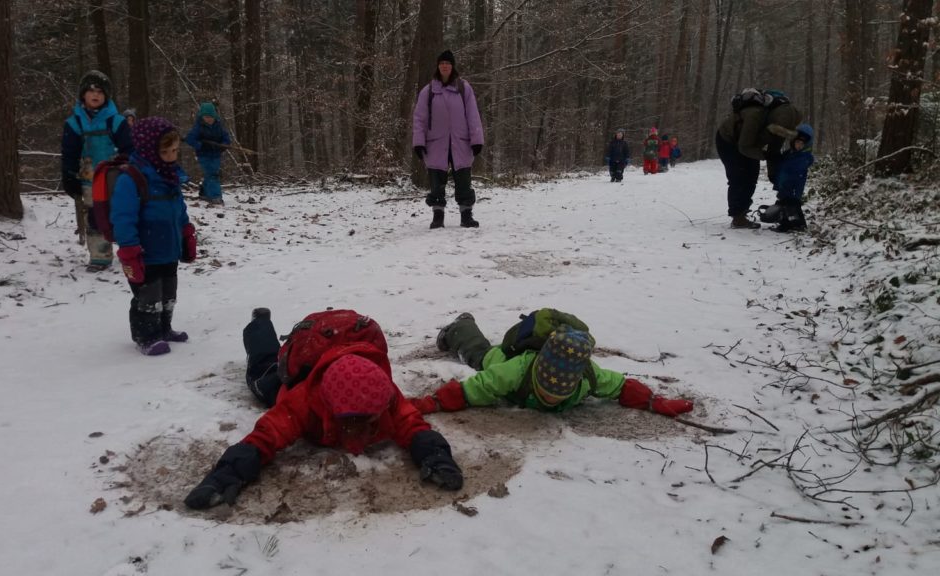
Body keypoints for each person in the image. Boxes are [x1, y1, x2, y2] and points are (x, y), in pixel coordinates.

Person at [183, 308, 465, 510]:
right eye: (359, 423)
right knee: (260, 377)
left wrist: (435, 455)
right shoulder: (303, 402)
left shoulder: (383, 395)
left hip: (339, 358)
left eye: (373, 419)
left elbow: (411, 423)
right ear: (335, 411)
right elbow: (267, 434)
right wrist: (228, 472)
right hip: (302, 374)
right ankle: (260, 323)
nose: (369, 427)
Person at [410, 312, 694, 417]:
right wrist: (431, 402)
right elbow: (477, 387)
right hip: (506, 360)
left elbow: (620, 386)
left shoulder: (588, 378)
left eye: (556, 395)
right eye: (544, 389)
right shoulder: (516, 371)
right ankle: (461, 326)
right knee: (480, 355)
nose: (548, 396)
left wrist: (654, 402)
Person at [111, 117, 196, 356]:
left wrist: (186, 233)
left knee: (168, 293)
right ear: (149, 149)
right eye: (165, 151)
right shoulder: (132, 179)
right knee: (148, 297)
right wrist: (129, 249)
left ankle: (164, 328)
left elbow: (179, 210)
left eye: (175, 150)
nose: (171, 156)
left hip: (169, 249)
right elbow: (123, 218)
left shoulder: (171, 177)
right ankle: (145, 336)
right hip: (144, 253)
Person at [60, 70, 133, 271]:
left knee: (121, 214)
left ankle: (132, 249)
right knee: (94, 217)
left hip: (115, 179)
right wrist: (69, 176)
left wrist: (129, 170)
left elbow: (129, 149)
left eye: (100, 91)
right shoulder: (74, 123)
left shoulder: (116, 121)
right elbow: (69, 153)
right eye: (91, 91)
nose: (96, 95)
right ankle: (100, 255)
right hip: (88, 180)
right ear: (83, 95)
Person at [412, 49, 485, 229]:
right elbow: (419, 119)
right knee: (436, 182)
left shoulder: (463, 88)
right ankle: (438, 216)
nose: (445, 66)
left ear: (452, 67)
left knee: (463, 181)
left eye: (448, 64)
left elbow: (473, 115)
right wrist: (418, 143)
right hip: (436, 143)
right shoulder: (427, 91)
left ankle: (466, 215)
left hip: (461, 142)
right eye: (442, 63)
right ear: (438, 66)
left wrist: (477, 140)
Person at [716, 88, 802, 229]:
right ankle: (738, 216)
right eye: (778, 130)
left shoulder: (782, 124)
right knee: (739, 177)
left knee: (751, 177)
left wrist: (774, 176)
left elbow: (773, 152)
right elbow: (744, 147)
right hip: (728, 141)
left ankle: (742, 212)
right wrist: (764, 155)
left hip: (750, 144)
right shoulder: (754, 115)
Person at [769, 123, 814, 233]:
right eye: (797, 142)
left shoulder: (804, 157)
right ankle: (789, 224)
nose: (798, 145)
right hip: (785, 185)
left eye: (801, 144)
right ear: (793, 142)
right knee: (786, 205)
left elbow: (794, 169)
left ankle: (796, 225)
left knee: (792, 206)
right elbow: (782, 167)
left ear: (806, 145)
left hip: (793, 187)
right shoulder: (789, 154)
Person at [184, 102, 231, 206]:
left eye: (211, 117)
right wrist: (200, 145)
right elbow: (190, 139)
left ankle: (204, 193)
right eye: (206, 117)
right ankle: (215, 196)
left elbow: (226, 138)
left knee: (210, 174)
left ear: (214, 116)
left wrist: (223, 145)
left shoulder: (218, 126)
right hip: (204, 155)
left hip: (216, 154)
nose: (209, 119)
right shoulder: (198, 127)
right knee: (212, 174)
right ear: (202, 117)